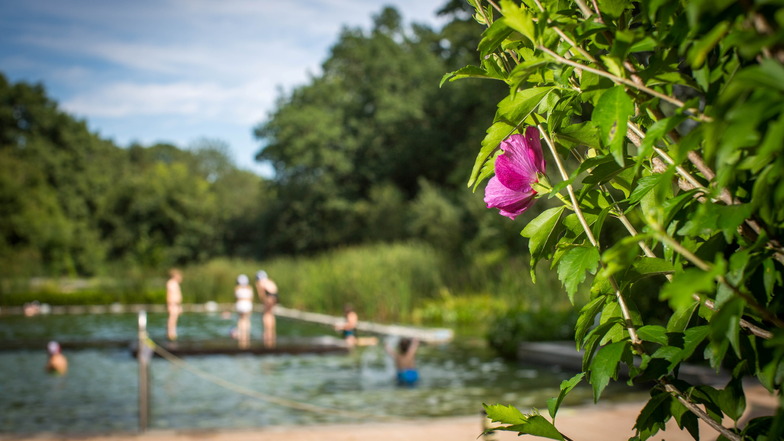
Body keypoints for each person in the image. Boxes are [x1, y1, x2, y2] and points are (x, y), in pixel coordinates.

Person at [255, 270, 278, 348]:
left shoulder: (260, 282)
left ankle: (266, 335)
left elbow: (261, 295)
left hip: (269, 296)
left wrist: (263, 300)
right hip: (275, 296)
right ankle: (272, 335)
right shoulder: (270, 281)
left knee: (266, 315)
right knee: (271, 314)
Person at [235, 274, 254, 349]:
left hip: (240, 304)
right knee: (247, 320)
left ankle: (241, 338)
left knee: (241, 320)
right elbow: (251, 298)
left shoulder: (237, 288)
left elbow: (236, 297)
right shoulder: (249, 288)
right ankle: (247, 337)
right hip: (247, 304)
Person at [166, 269, 183, 341]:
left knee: (174, 320)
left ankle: (173, 334)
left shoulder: (175, 283)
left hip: (176, 304)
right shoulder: (171, 283)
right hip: (173, 304)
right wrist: (169, 305)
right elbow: (169, 294)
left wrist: (179, 306)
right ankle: (170, 334)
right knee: (172, 320)